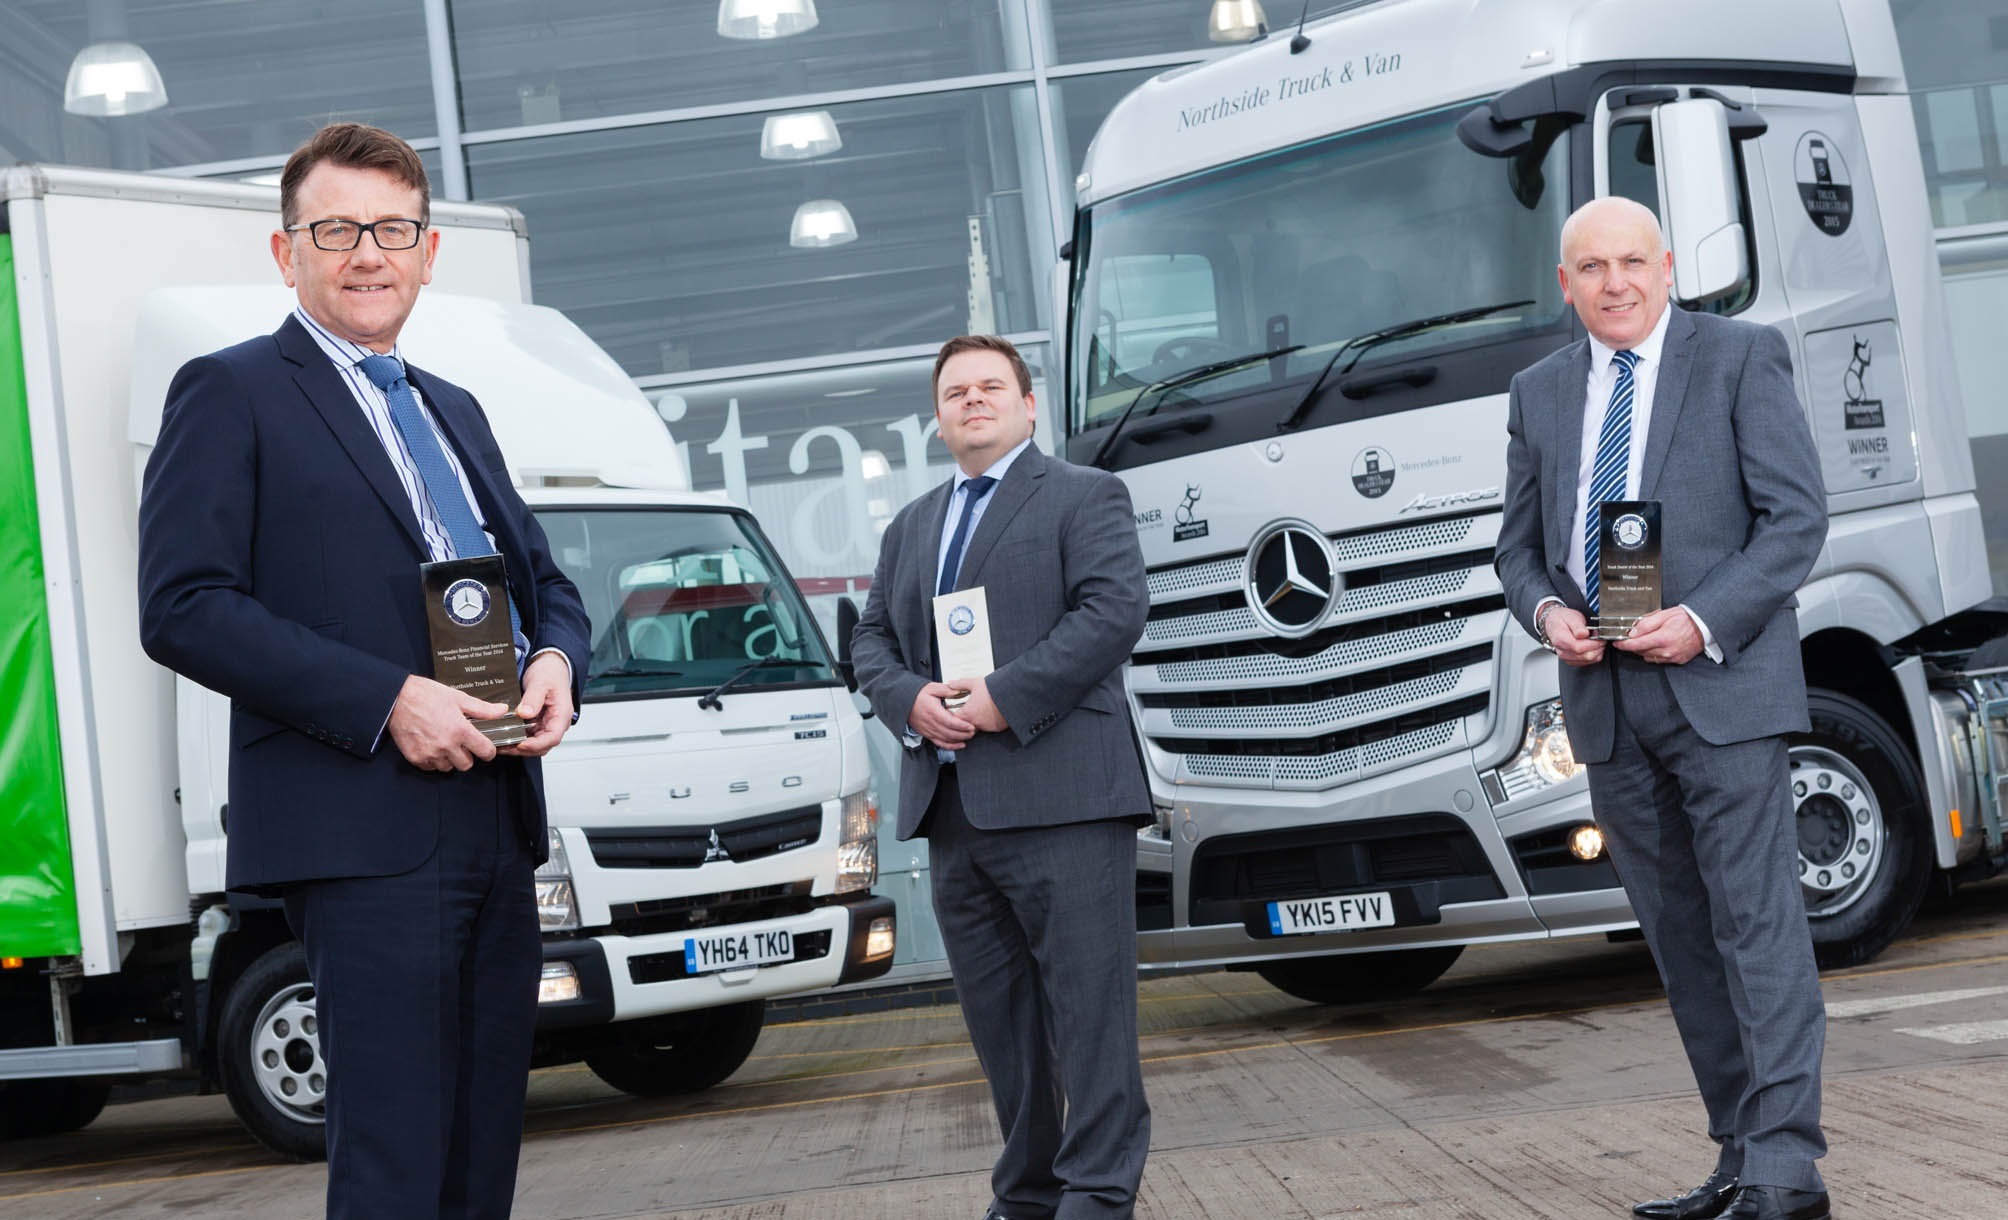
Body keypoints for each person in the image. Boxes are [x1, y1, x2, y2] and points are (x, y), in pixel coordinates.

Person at [137, 123, 589, 1219]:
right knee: (394, 1164)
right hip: (362, 831)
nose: (368, 254)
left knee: (478, 1157)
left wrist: (555, 660)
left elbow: (544, 583)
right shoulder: (231, 390)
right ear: (286, 252)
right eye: (336, 230)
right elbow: (183, 607)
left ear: (428, 252)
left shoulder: (453, 407)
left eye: (392, 230)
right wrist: (388, 700)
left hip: (495, 813)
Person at [1494, 196, 1831, 1220]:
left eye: (1633, 261)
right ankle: (1738, 1152)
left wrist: (1700, 618)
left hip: (1721, 685)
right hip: (1606, 702)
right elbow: (1516, 550)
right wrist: (1547, 611)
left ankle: (1787, 1168)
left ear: (1668, 267)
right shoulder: (1538, 392)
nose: (1616, 283)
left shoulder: (1739, 357)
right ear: (1566, 285)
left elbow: (1794, 519)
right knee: (1681, 942)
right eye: (1593, 267)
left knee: (1757, 928)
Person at [850, 335, 1153, 1220]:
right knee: (1002, 1027)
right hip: (955, 812)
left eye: (991, 386)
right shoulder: (912, 525)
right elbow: (871, 639)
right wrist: (909, 700)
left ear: (1028, 406)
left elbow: (1113, 611)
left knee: (1091, 1016)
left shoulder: (1085, 495)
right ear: (938, 418)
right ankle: (1028, 1196)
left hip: (1065, 799)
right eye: (956, 392)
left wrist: (1001, 699)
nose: (973, 401)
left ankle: (1097, 1195)